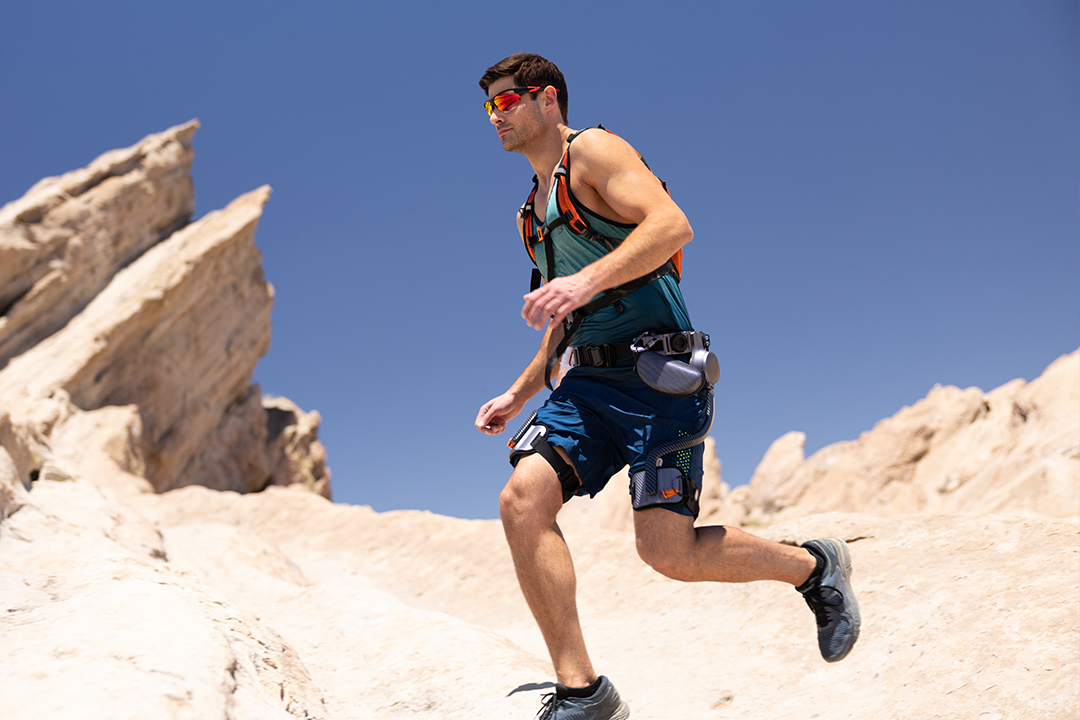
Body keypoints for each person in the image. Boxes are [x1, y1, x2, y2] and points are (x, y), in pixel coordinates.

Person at [474, 53, 860, 720]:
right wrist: (519, 392)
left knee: (668, 554)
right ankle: (583, 692)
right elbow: (565, 317)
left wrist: (582, 281)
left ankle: (814, 567)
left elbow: (670, 225)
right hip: (587, 385)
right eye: (489, 107)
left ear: (547, 99)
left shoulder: (593, 151)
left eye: (507, 102)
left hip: (659, 379)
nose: (495, 117)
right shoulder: (529, 217)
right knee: (521, 500)